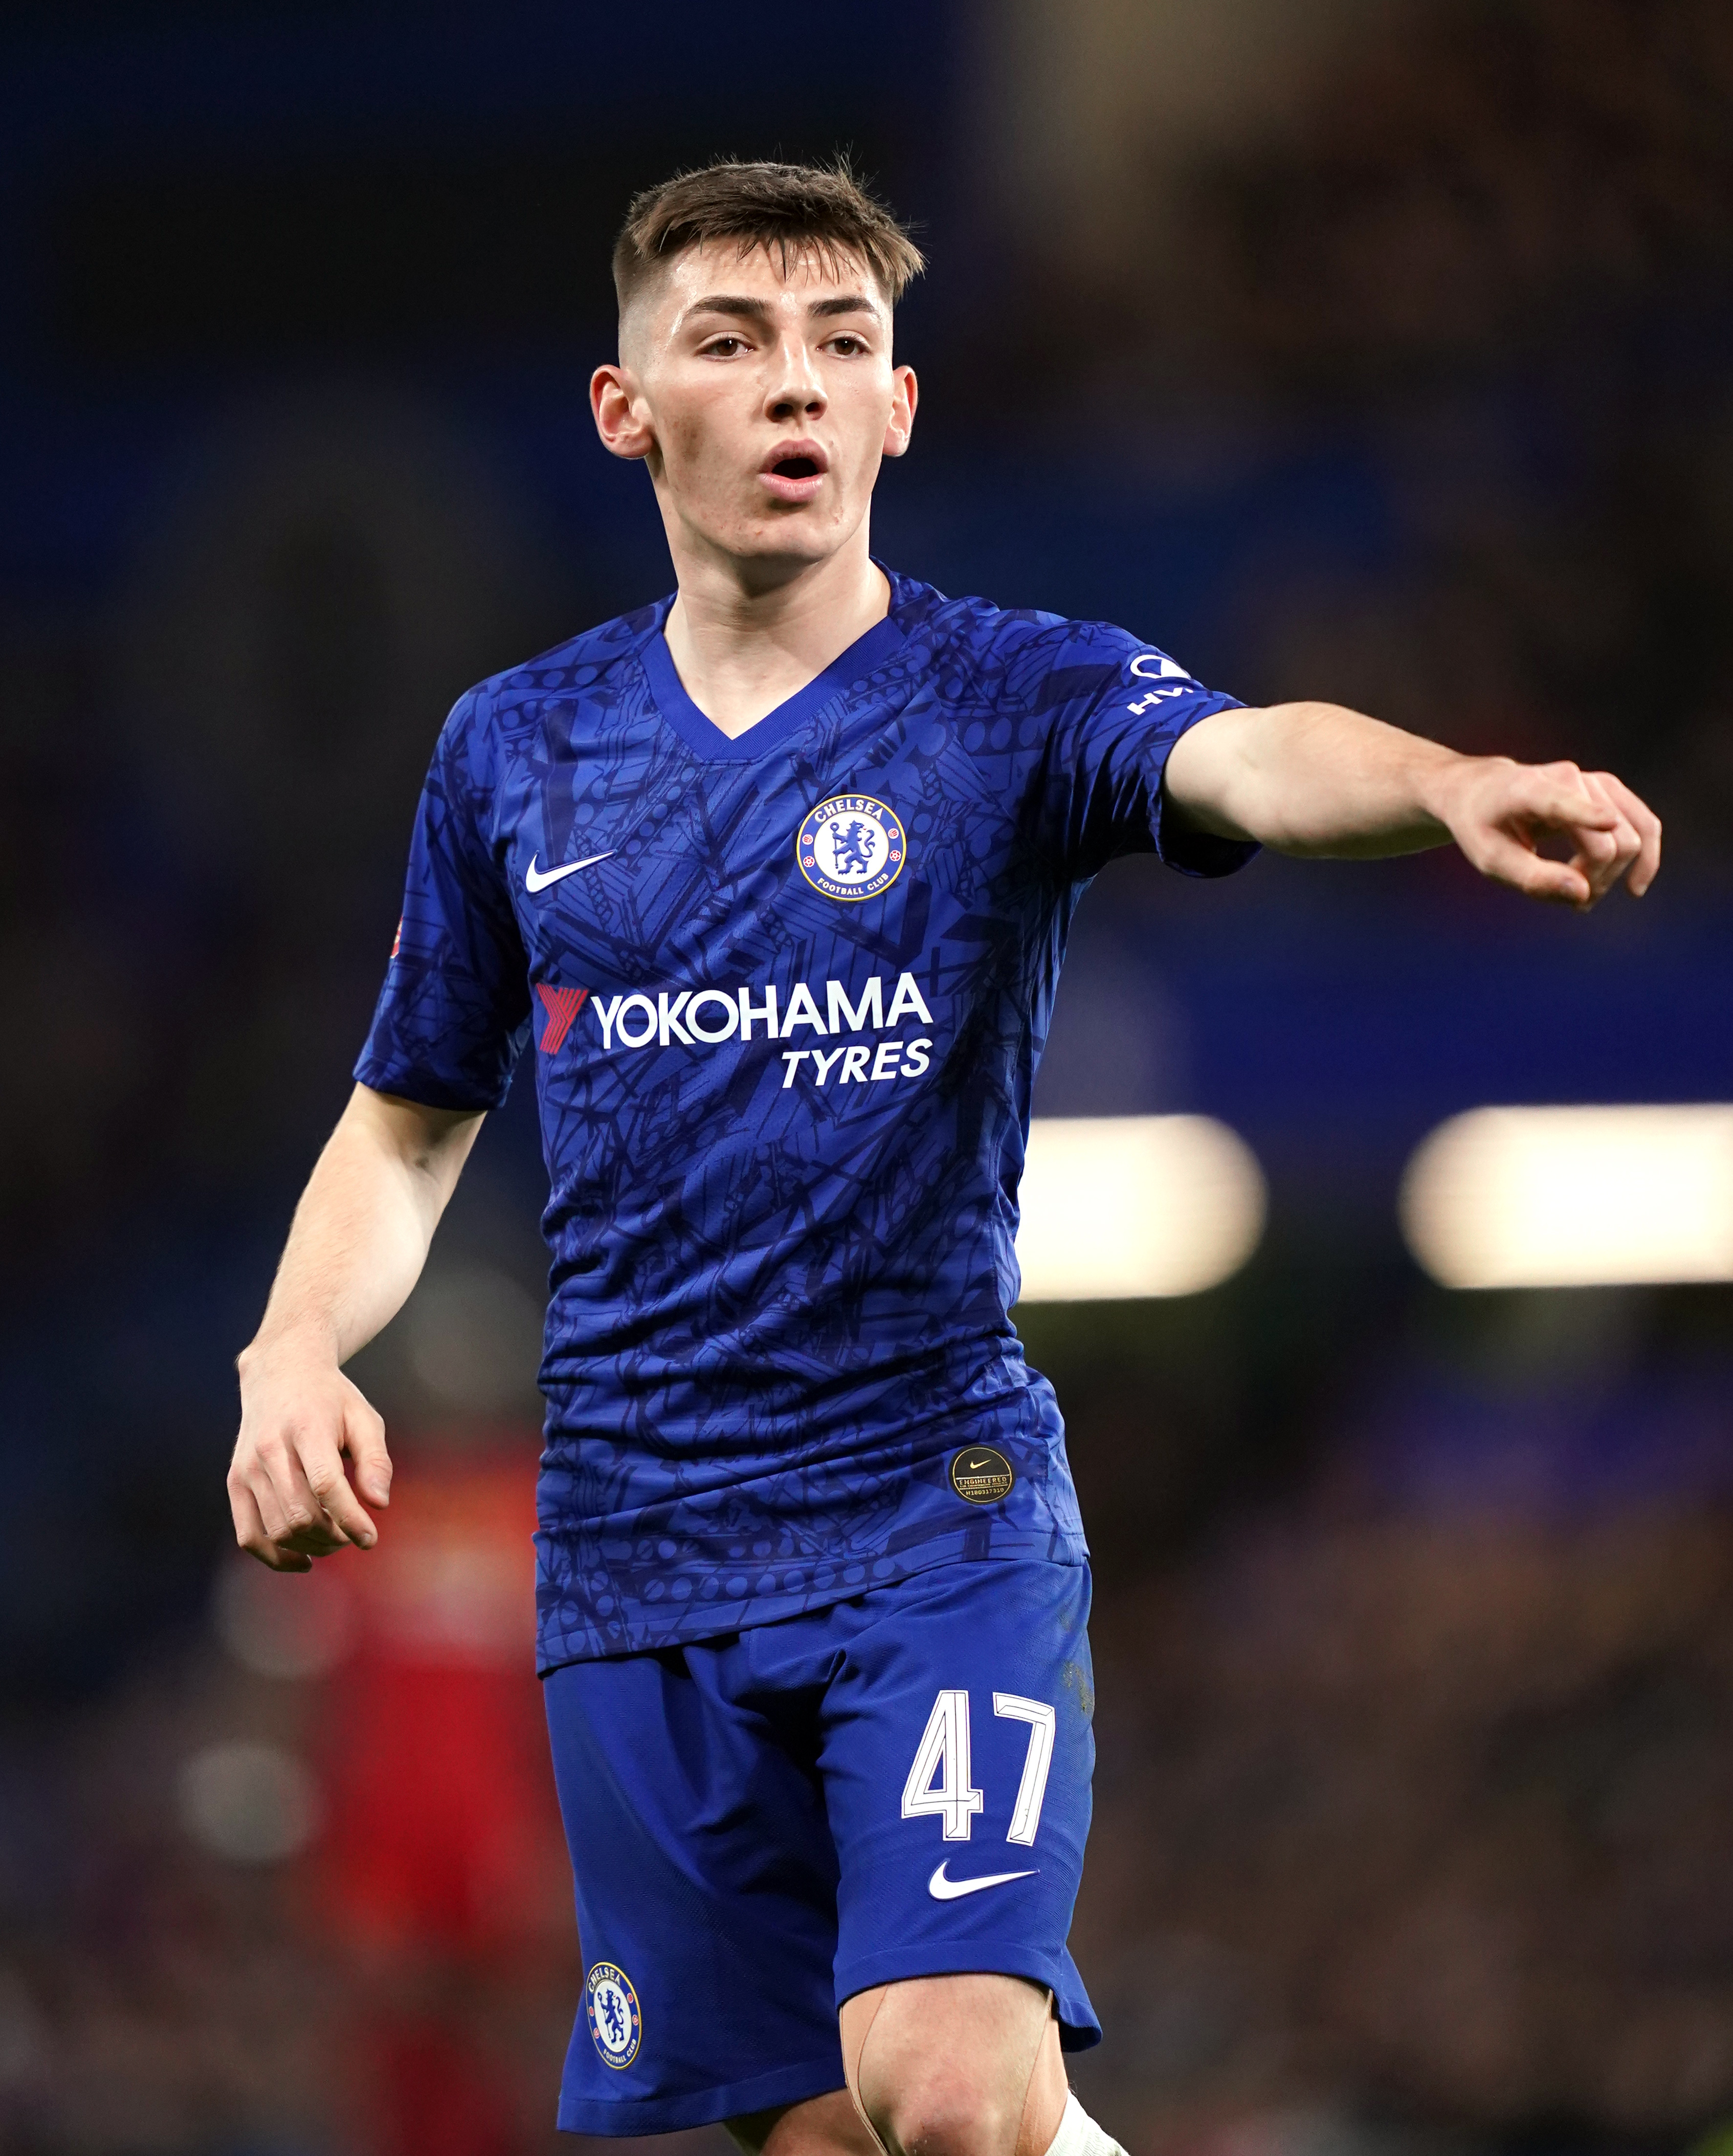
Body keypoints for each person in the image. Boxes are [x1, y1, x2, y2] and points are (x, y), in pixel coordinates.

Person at [227, 160, 1661, 2156]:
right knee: (832, 2132)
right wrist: (290, 1350)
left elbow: (1245, 752)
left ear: (897, 408)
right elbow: (407, 1121)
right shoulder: (514, 751)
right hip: (639, 1555)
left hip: (930, 1507)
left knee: (951, 2087)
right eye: (732, 341)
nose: (793, 384)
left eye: (842, 344)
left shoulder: (1004, 694)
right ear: (625, 407)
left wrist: (1447, 781)